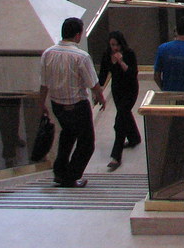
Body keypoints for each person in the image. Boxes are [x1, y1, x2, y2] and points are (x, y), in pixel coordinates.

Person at [39, 16, 106, 188]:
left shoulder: (48, 53)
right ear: (77, 35)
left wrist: (41, 104)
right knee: (86, 143)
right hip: (78, 106)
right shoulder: (81, 56)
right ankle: (72, 176)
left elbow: (44, 83)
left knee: (67, 136)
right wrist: (101, 98)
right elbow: (93, 83)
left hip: (57, 105)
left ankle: (60, 173)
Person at [98, 30, 141, 170]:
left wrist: (121, 62)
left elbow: (133, 74)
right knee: (124, 114)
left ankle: (116, 156)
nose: (115, 48)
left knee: (120, 121)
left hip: (130, 89)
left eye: (117, 45)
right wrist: (97, 91)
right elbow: (103, 75)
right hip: (117, 90)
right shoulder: (106, 55)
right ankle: (134, 138)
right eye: (112, 45)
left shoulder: (129, 54)